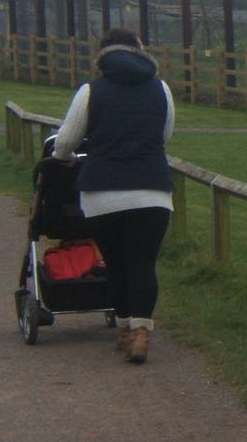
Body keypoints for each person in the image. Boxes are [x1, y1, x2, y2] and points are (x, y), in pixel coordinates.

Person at [53, 28, 176, 364]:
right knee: (143, 263)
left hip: (102, 193)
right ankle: (141, 332)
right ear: (139, 51)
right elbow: (164, 134)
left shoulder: (90, 91)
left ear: (102, 55)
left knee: (117, 264)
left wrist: (62, 159)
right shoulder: (161, 88)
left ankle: (123, 328)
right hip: (152, 191)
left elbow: (65, 142)